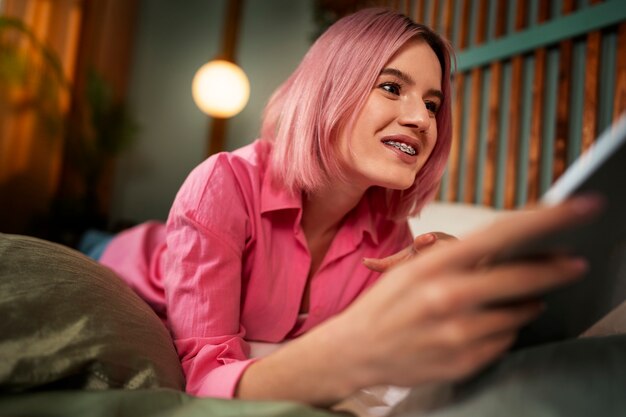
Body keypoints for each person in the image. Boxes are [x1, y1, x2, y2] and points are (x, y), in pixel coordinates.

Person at [97, 8, 600, 408]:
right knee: (92, 244)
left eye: (432, 104)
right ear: (329, 89)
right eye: (391, 87)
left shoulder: (389, 235)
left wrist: (452, 289)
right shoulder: (223, 183)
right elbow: (203, 378)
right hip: (127, 256)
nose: (421, 119)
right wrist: (344, 358)